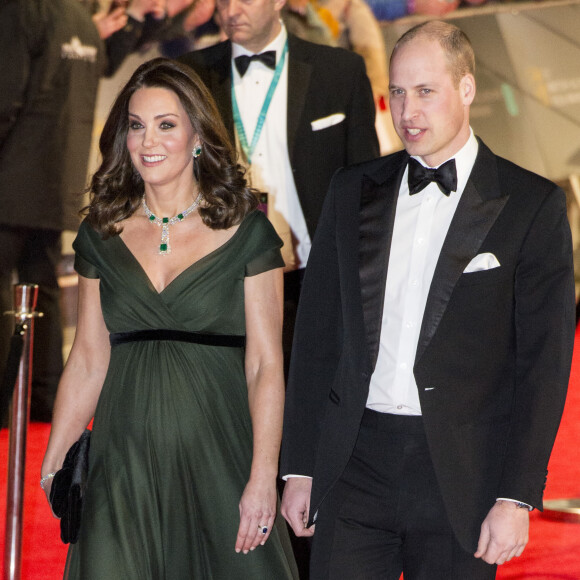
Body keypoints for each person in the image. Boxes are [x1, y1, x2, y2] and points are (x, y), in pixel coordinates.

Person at [280, 20, 575, 579]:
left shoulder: (530, 205)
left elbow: (543, 365)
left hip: (461, 474)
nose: (407, 110)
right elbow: (317, 338)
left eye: (425, 91)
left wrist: (516, 496)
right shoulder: (350, 190)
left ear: (466, 89)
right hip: (354, 464)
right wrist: (299, 465)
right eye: (397, 92)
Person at [41, 57, 298, 579]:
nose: (147, 141)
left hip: (220, 457)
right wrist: (56, 459)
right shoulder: (102, 232)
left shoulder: (247, 232)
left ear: (198, 135)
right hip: (122, 463)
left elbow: (265, 366)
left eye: (166, 124)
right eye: (136, 125)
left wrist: (262, 477)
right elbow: (89, 358)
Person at [178, 0, 379, 378]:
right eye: (223, 1)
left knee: (315, 398)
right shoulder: (191, 75)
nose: (231, 10)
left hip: (319, 272)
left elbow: (366, 181)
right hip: (225, 274)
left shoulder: (340, 71)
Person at [0, 0, 106, 423]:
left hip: (11, 175)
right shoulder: (83, 19)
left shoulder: (20, 11)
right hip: (56, 176)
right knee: (41, 286)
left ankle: (5, 404)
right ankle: (44, 399)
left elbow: (5, 99)